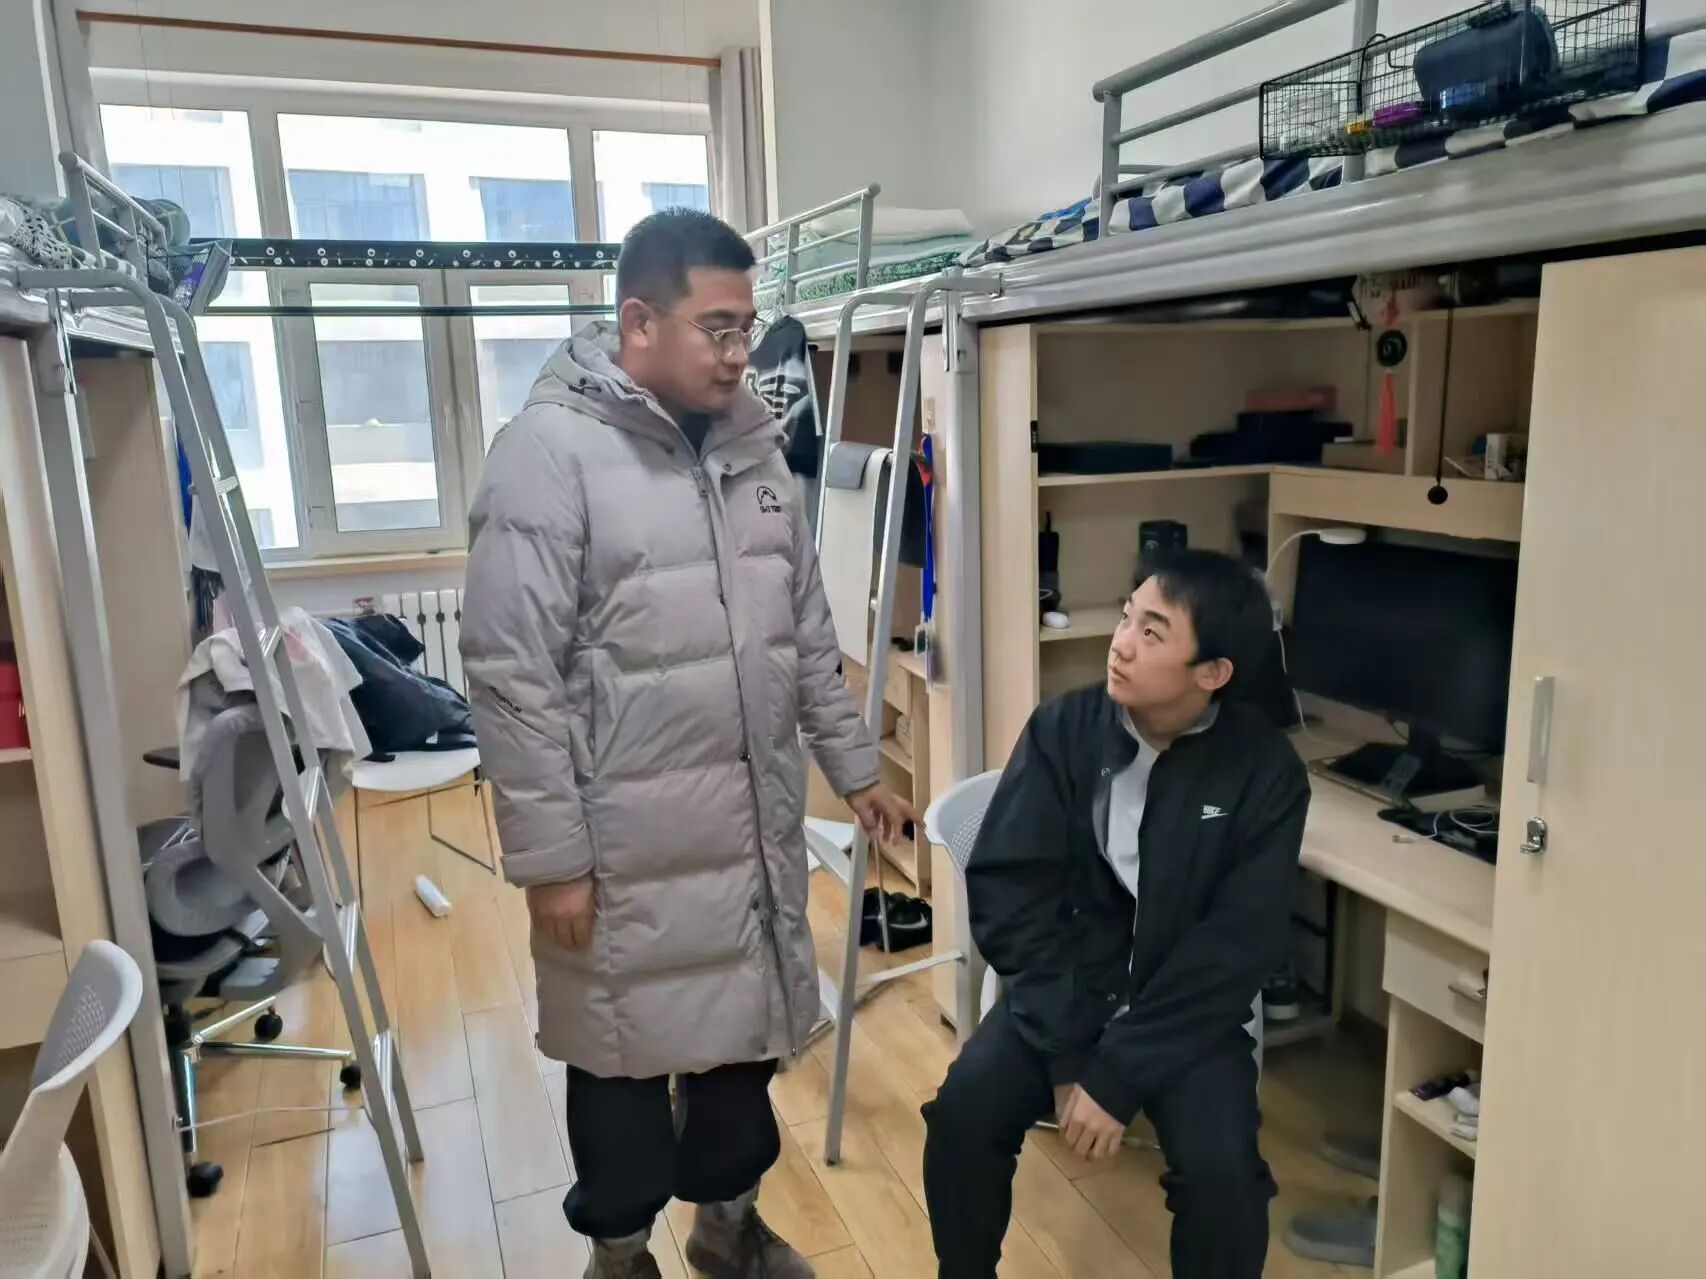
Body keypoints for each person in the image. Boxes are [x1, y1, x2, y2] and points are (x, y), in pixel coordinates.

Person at [461, 208, 912, 1279]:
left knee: (740, 1062)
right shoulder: (546, 457)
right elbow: (511, 677)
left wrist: (855, 769)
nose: (739, 351)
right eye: (717, 327)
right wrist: (552, 860)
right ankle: (620, 1254)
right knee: (619, 1077)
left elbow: (804, 633)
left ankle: (727, 1228)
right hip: (622, 854)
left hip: (748, 829)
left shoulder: (757, 448)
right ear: (637, 323)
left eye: (747, 325)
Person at [922, 548, 1311, 1279]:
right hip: (1065, 989)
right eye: (1127, 617)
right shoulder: (1065, 729)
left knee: (1225, 1179)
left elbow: (1238, 943)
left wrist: (1116, 1076)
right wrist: (1072, 1058)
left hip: (1181, 1008)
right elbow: (1013, 895)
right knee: (963, 1117)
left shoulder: (1265, 772)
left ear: (1213, 672)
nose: (1121, 643)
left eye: (1152, 632)